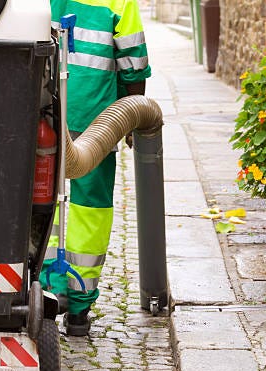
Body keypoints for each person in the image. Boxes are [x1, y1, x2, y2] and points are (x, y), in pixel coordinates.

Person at [40, 0, 151, 335]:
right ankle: (79, 307)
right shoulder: (118, 3)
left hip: (39, 113)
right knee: (92, 208)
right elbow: (134, 63)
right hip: (96, 122)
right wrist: (131, 118)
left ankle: (44, 288)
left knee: (41, 199)